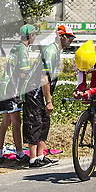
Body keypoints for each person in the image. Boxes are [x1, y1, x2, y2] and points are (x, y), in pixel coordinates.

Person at [21, 25, 75, 168]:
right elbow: (44, 78)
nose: (71, 41)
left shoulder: (56, 52)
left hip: (41, 92)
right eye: (69, 38)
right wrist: (49, 101)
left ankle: (41, 155)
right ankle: (33, 159)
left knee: (45, 123)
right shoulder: (50, 51)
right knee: (35, 123)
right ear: (61, 37)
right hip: (33, 92)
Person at [0, 24, 36, 164]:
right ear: (30, 37)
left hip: (2, 87)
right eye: (34, 35)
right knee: (16, 122)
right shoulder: (23, 50)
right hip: (12, 90)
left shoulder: (15, 47)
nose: (35, 37)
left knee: (5, 122)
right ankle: (19, 154)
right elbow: (24, 73)